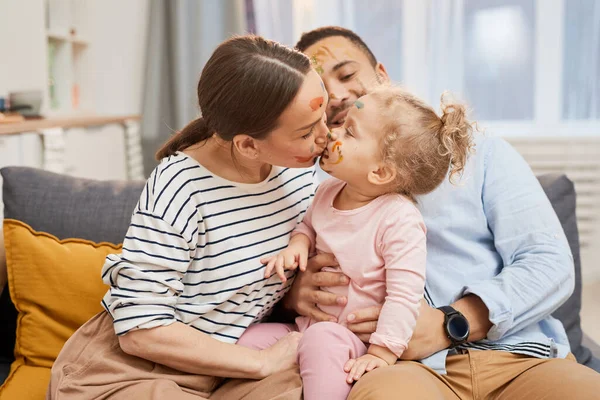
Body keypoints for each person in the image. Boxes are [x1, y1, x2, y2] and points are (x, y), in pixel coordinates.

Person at [282, 26, 600, 399]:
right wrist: (291, 294)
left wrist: (453, 321)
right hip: (400, 369)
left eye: (347, 74)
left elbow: (549, 264)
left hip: (518, 357)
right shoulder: (312, 182)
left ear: (382, 76)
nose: (335, 94)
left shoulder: (482, 153)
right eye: (319, 88)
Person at [46, 35, 331, 400]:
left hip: (233, 361)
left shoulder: (297, 171)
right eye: (307, 132)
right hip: (133, 372)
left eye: (323, 118)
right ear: (247, 145)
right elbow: (140, 330)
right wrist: (260, 364)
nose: (325, 136)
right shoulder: (180, 187)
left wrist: (294, 298)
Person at [239, 86, 475, 400]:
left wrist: (381, 352)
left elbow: (404, 296)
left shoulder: (399, 219)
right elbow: (308, 227)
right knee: (247, 341)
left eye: (348, 132)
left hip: (354, 338)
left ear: (379, 172)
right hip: (306, 326)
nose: (331, 133)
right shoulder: (327, 191)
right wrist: (298, 245)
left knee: (323, 341)